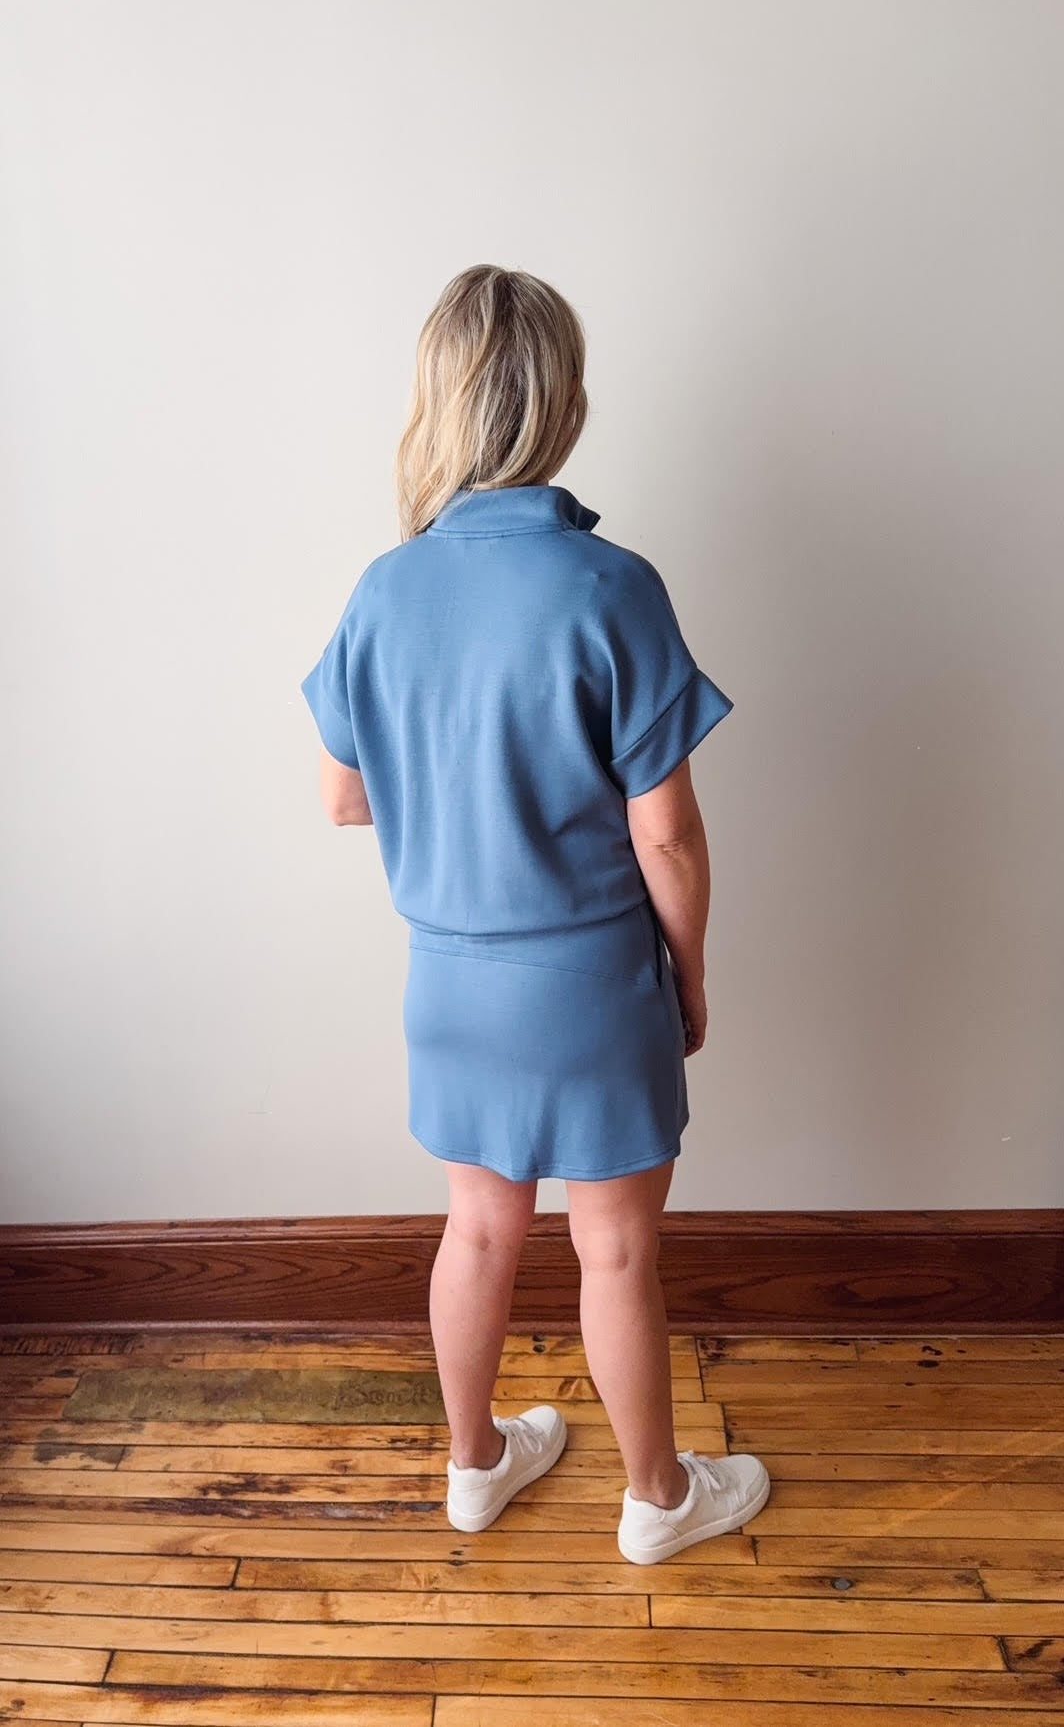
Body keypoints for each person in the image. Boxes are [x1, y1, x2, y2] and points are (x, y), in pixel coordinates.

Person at [300, 264, 770, 1564]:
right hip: (588, 982)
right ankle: (658, 1499)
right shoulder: (609, 585)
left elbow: (344, 799)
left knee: (478, 1227)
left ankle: (472, 1465)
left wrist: (463, 819)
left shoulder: (384, 590)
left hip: (450, 984)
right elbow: (664, 830)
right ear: (560, 399)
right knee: (614, 1248)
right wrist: (692, 971)